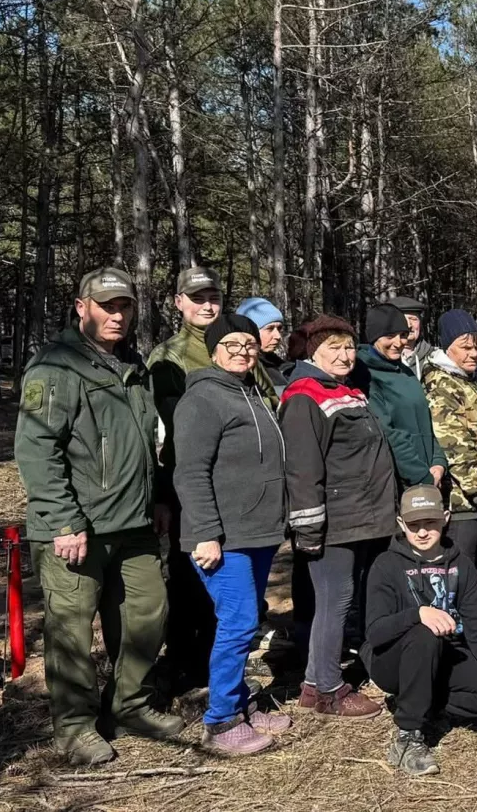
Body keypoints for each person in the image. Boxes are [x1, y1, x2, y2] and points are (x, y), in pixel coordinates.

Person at [15, 268, 179, 765]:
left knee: (146, 616)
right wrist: (65, 521)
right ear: (81, 306)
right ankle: (74, 727)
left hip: (133, 524)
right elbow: (37, 448)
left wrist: (158, 499)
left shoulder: (132, 367)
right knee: (70, 630)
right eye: (106, 305)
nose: (117, 315)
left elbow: (143, 446)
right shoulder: (56, 366)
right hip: (76, 529)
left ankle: (129, 704)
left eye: (124, 306)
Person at [173, 313, 291, 755]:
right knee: (238, 624)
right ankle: (220, 722)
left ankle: (241, 703)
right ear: (214, 349)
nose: (242, 351)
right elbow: (190, 472)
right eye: (232, 344)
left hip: (258, 531)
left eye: (248, 343)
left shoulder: (253, 393)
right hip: (221, 536)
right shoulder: (202, 399)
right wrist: (205, 532)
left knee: (246, 620)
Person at [364, 487, 477, 776]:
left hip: (446, 653)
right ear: (401, 524)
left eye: (430, 523)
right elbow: (376, 633)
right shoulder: (385, 565)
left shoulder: (461, 565)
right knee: (425, 633)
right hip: (394, 660)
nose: (422, 532)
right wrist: (417, 614)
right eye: (414, 525)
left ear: (446, 518)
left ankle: (425, 699)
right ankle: (407, 736)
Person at [279, 314, 394, 717]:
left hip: (362, 515)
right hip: (335, 520)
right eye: (334, 348)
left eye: (349, 347)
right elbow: (303, 467)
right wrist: (308, 525)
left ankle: (313, 683)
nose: (345, 356)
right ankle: (329, 688)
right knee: (335, 599)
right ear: (313, 352)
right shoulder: (305, 396)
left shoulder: (346, 391)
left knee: (339, 598)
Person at [147, 265, 224, 694]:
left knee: (222, 577)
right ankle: (183, 664)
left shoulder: (231, 344)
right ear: (179, 303)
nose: (206, 306)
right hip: (186, 484)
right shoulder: (170, 355)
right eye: (197, 299)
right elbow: (168, 431)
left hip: (230, 483)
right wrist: (164, 494)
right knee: (188, 576)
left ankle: (214, 660)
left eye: (212, 297)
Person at [421, 310, 477, 574]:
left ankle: (474, 615)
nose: (473, 354)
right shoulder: (442, 384)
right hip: (464, 503)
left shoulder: (475, 381)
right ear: (448, 348)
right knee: (460, 572)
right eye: (465, 348)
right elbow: (455, 445)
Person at [355, 304, 447, 490]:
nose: (398, 342)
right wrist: (420, 475)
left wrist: (438, 462)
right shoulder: (364, 374)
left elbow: (427, 423)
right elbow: (388, 433)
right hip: (398, 483)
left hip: (429, 474)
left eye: (403, 335)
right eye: (389, 337)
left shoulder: (405, 372)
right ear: (374, 337)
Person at [236, 296, 287, 401]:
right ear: (250, 331)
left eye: (279, 328)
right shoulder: (243, 369)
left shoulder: (281, 366)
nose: (278, 336)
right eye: (270, 328)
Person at [386, 295, 432, 381]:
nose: (409, 325)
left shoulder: (435, 358)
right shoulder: (381, 358)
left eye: (413, 319)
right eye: (403, 320)